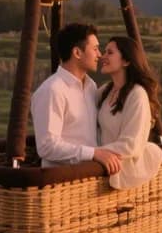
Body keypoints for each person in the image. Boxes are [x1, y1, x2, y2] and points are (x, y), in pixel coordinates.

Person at [30, 23, 121, 174]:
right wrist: (93, 153)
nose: (99, 55)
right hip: (61, 183)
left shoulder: (90, 86)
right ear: (77, 53)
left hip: (88, 178)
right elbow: (47, 147)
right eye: (95, 49)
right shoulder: (52, 90)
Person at [96, 36, 162, 190]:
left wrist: (93, 153)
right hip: (104, 167)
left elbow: (131, 145)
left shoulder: (137, 95)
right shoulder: (106, 91)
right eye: (104, 51)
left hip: (123, 170)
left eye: (110, 53)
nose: (103, 56)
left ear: (126, 61)